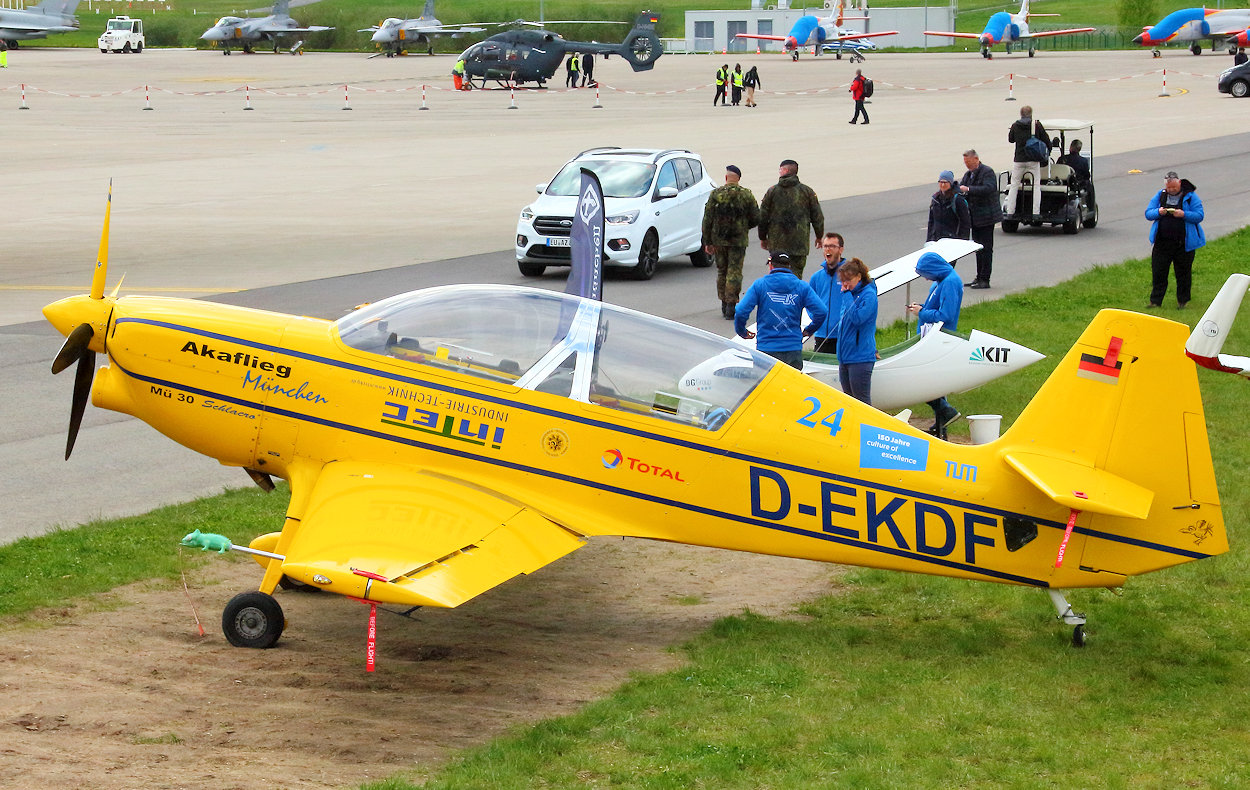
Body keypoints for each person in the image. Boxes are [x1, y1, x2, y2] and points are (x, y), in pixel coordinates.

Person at [735, 253, 827, 370]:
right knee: (790, 388)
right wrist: (809, 330)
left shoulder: (760, 285)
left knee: (767, 387)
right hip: (792, 348)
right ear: (789, 267)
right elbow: (821, 311)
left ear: (771, 266)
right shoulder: (801, 287)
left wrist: (742, 331)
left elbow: (741, 310)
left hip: (766, 349)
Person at [906, 251, 963, 439]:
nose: (924, 279)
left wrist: (921, 312)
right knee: (934, 383)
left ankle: (946, 412)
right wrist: (922, 308)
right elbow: (937, 308)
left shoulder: (950, 283)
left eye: (925, 274)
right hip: (931, 337)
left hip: (938, 338)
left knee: (921, 380)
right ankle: (942, 426)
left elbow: (946, 315)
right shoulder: (942, 280)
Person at [701, 165, 761, 319]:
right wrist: (743, 226)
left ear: (726, 177)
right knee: (734, 271)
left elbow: (707, 219)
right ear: (738, 179)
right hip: (738, 241)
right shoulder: (746, 195)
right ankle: (731, 304)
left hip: (718, 240)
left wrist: (707, 241)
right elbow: (756, 218)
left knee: (722, 271)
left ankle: (723, 301)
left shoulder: (715, 194)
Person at [1145, 170, 1205, 309]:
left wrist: (1184, 214)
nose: (1171, 190)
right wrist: (1158, 212)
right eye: (1169, 188)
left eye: (1174, 187)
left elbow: (1199, 215)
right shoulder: (1160, 195)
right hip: (1162, 242)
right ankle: (1155, 302)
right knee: (1159, 272)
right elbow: (1148, 213)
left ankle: (1182, 301)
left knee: (1183, 274)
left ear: (1179, 183)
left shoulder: (1190, 196)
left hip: (1183, 244)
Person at [758, 159, 824, 279]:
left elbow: (763, 217)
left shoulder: (772, 191)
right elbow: (817, 216)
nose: (779, 171)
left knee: (777, 275)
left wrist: (763, 237)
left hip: (777, 244)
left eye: (780, 169)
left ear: (786, 170)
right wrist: (819, 236)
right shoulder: (807, 191)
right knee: (796, 276)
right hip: (799, 244)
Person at [835, 258, 878, 406]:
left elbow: (857, 318)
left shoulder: (869, 295)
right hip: (845, 356)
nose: (845, 284)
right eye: (842, 281)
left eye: (848, 280)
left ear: (859, 277)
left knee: (862, 402)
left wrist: (846, 295)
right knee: (849, 402)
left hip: (860, 358)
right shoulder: (850, 293)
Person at [958, 149, 1002, 290]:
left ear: (976, 159)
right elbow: (962, 188)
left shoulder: (987, 172)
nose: (967, 165)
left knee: (986, 248)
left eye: (969, 162)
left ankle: (985, 279)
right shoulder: (968, 174)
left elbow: (989, 188)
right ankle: (979, 276)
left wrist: (969, 189)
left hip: (987, 216)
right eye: (965, 162)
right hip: (975, 217)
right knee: (978, 248)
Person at [1006, 105, 1048, 218]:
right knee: (1036, 185)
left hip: (1019, 159)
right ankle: (1035, 212)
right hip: (1033, 160)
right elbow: (1046, 140)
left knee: (1014, 185)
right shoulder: (1036, 125)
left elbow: (1010, 139)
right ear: (1031, 114)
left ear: (1021, 114)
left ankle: (1010, 211)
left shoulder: (1015, 125)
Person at [808, 232, 847, 354]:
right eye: (825, 246)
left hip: (844, 336)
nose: (828, 249)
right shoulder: (816, 277)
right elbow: (809, 303)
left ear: (840, 249)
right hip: (822, 336)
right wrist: (817, 319)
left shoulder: (850, 275)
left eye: (832, 246)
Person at [927, 170, 971, 243]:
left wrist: (963, 242)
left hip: (953, 240)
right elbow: (931, 222)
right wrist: (929, 240)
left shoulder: (958, 200)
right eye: (941, 182)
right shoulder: (935, 199)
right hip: (937, 239)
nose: (943, 185)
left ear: (950, 183)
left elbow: (965, 223)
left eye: (945, 182)